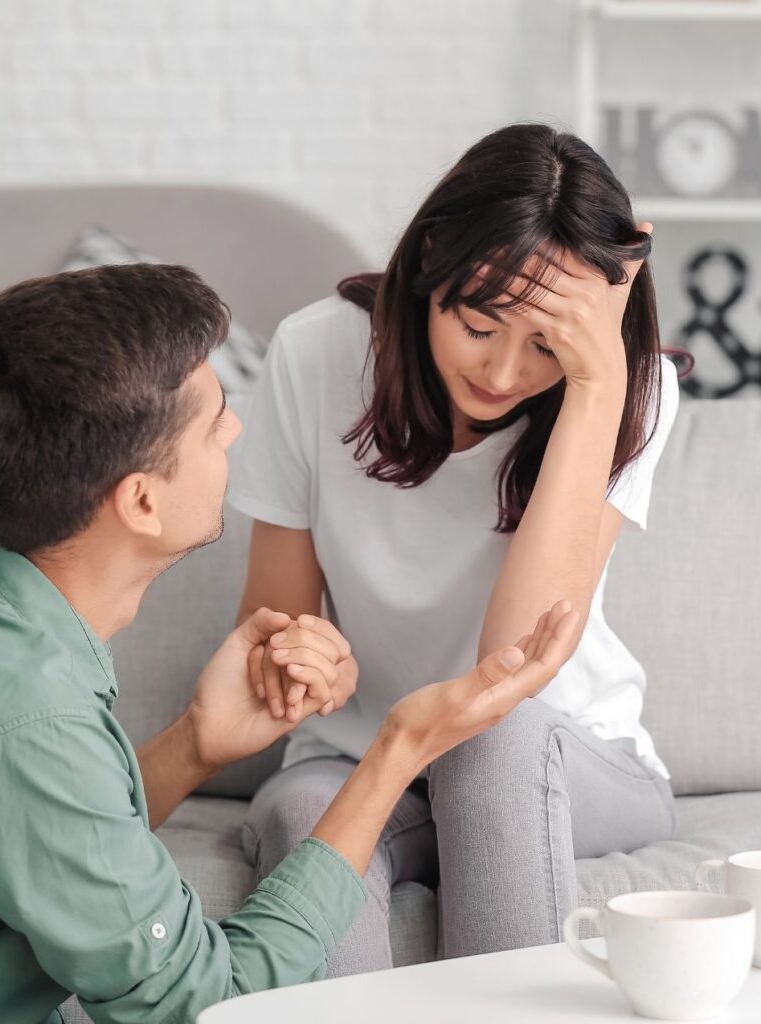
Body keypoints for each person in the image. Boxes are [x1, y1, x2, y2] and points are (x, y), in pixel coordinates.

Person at [0, 263, 578, 1024]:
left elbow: (42, 828)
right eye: (213, 420)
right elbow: (203, 1007)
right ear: (140, 499)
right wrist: (399, 748)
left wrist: (197, 744)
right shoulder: (26, 724)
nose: (236, 428)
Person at [230, 122, 681, 975]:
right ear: (431, 260)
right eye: (480, 323)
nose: (505, 374)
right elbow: (274, 625)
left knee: (488, 746)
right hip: (364, 753)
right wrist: (298, 660)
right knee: (305, 816)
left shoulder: (632, 393)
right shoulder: (314, 351)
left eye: (548, 344)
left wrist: (597, 386)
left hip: (565, 754)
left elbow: (509, 669)